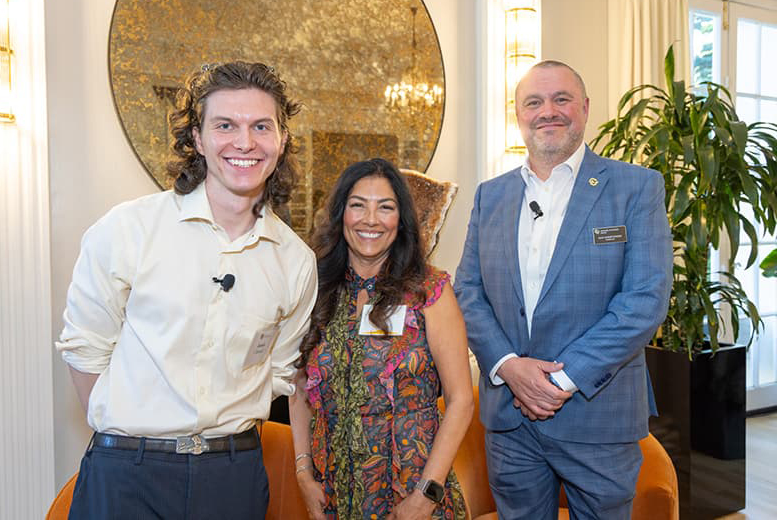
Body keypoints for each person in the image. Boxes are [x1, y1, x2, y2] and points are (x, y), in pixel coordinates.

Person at [56, 61, 317, 519]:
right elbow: (85, 352)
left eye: (261, 126)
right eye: (225, 125)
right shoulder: (129, 229)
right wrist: (135, 438)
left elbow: (279, 370)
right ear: (197, 138)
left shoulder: (295, 261)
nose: (244, 142)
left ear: (282, 140)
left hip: (232, 476)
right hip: (126, 475)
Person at [454, 60, 672, 520]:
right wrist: (510, 367)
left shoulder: (636, 187)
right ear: (519, 115)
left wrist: (558, 380)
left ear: (586, 108)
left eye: (561, 99)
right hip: (509, 420)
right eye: (534, 102)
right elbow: (468, 291)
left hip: (598, 417)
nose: (547, 111)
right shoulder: (489, 195)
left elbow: (644, 299)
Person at [289, 158, 473, 520]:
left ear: (400, 220)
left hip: (414, 493)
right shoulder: (316, 290)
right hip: (333, 495)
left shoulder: (430, 291)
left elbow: (461, 400)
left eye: (385, 207)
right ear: (341, 214)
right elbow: (298, 386)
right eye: (358, 205)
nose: (370, 219)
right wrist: (302, 473)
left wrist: (426, 496)